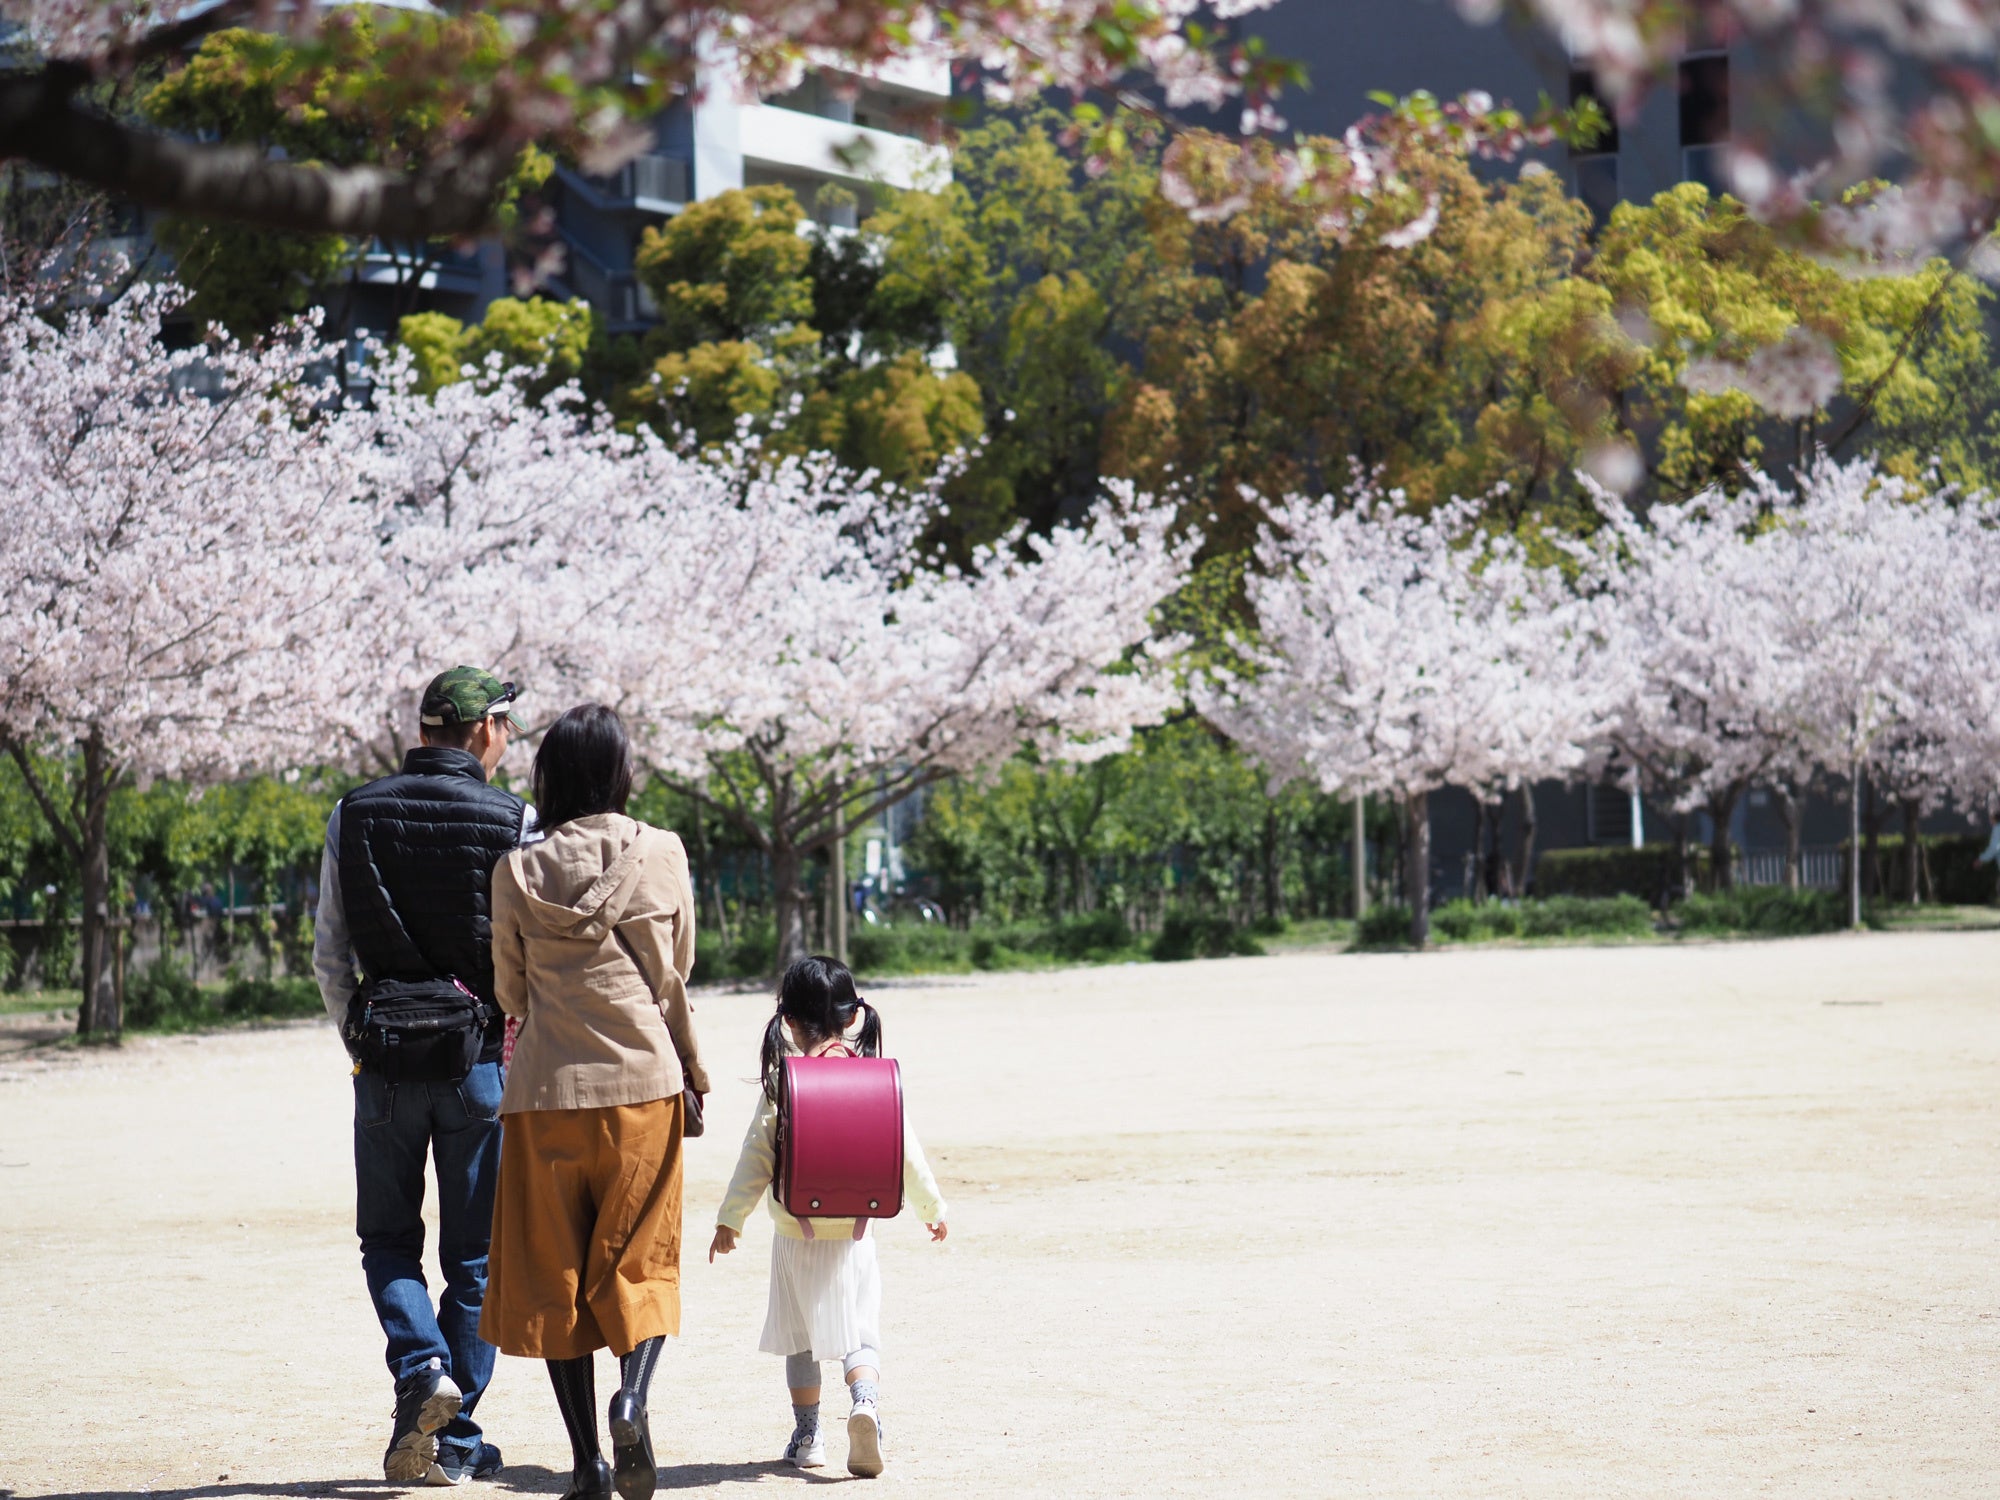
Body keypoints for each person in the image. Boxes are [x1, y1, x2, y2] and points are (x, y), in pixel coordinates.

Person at [481, 704, 710, 1500]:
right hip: (644, 1087)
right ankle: (633, 1397)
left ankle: (585, 1463)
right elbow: (674, 975)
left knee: (556, 1276)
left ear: (549, 777)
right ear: (620, 772)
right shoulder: (663, 852)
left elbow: (510, 994)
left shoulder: (515, 872)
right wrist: (695, 1073)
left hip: (543, 1094)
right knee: (640, 1259)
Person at [312, 666, 534, 1486]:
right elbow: (524, 963)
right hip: (477, 1064)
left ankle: (422, 1378)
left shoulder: (353, 812)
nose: (508, 741)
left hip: (386, 1063)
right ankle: (456, 1432)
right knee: (477, 1260)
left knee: (388, 1241)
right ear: (481, 730)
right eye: (506, 725)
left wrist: (359, 1041)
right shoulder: (516, 821)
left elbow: (330, 952)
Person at [708, 956, 949, 1479]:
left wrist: (732, 1219)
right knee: (860, 1334)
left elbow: (757, 1157)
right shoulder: (875, 1079)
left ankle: (809, 1434)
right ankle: (865, 1405)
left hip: (796, 1234)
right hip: (857, 1235)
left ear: (788, 1021)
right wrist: (931, 1209)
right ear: (852, 1017)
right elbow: (905, 1152)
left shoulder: (784, 1081)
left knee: (801, 1339)